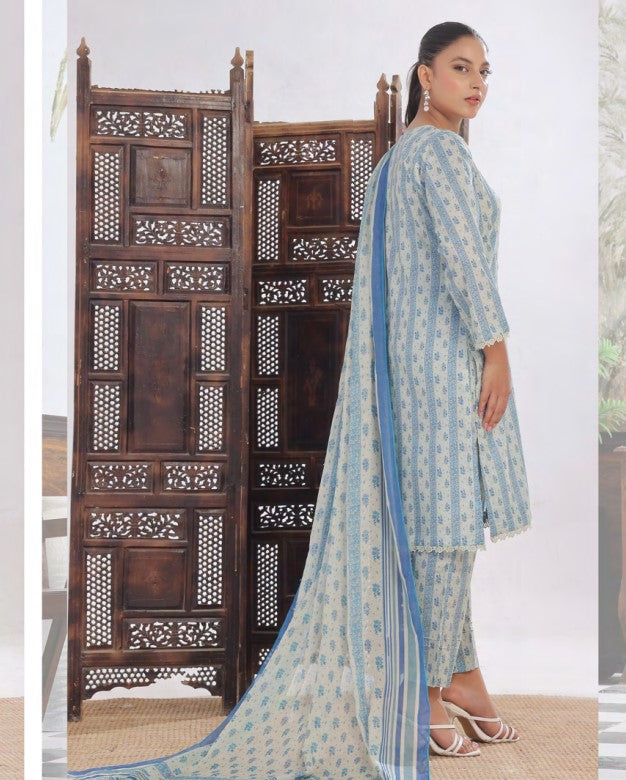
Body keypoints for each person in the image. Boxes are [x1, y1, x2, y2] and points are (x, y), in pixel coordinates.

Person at [67, 21, 531, 780]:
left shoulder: (397, 158)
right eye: (460, 67)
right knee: (445, 534)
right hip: (446, 364)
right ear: (425, 75)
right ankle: (424, 695)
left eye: (485, 70)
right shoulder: (438, 154)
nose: (477, 83)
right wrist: (496, 348)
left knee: (441, 530)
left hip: (412, 366)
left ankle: (462, 676)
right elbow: (462, 261)